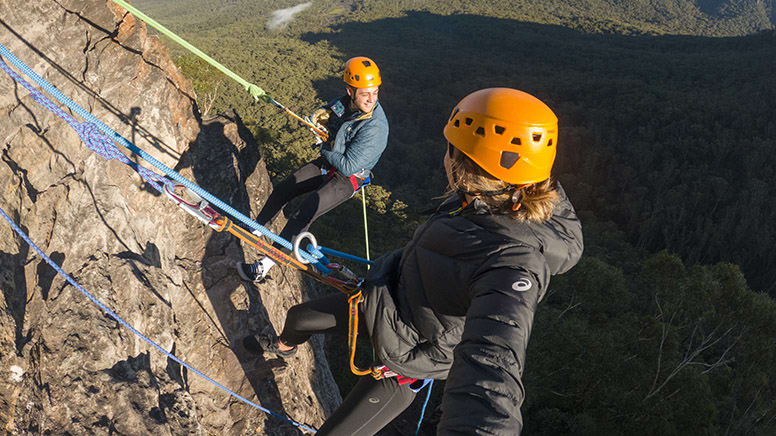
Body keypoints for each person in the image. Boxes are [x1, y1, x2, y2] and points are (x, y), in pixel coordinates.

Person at [244, 88, 584, 434]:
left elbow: (493, 366)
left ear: (462, 162)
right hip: (385, 300)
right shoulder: (485, 200)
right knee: (299, 317)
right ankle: (283, 349)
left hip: (411, 359)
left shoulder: (512, 264)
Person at [236, 56, 389, 282]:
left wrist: (323, 146)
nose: (371, 99)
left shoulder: (375, 127)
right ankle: (257, 228)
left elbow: (348, 166)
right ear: (350, 91)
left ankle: (263, 267)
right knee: (286, 188)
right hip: (332, 161)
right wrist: (319, 117)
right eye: (365, 93)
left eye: (374, 92)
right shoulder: (346, 103)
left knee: (306, 211)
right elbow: (332, 109)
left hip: (349, 177)